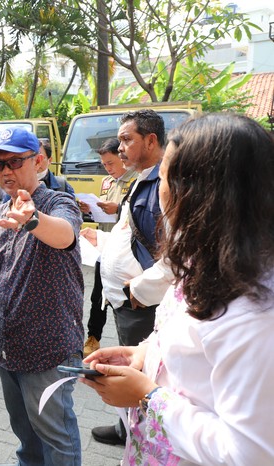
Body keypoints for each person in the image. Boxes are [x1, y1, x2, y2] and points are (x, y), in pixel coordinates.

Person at [82, 113, 274, 464]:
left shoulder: (254, 313)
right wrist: (143, 355)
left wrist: (147, 396)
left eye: (167, 174)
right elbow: (182, 338)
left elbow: (251, 453)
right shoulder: (207, 261)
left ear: (203, 192)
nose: (162, 187)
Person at [0, 127, 84, 465]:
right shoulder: (0, 212)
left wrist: (31, 220)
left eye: (15, 162)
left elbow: (65, 235)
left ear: (38, 161)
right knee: (25, 433)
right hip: (9, 341)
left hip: (49, 347)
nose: (6, 171)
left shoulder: (57, 202)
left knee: (56, 435)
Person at [80, 109, 173, 446]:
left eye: (126, 140)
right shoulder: (141, 179)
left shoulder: (164, 185)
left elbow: (175, 255)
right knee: (132, 370)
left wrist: (138, 289)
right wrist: (101, 241)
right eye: (119, 140)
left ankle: (143, 436)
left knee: (142, 374)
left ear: (151, 140)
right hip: (126, 299)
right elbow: (134, 238)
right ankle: (126, 428)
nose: (119, 148)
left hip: (143, 302)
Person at [80, 138, 137, 356]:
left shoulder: (136, 182)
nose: (108, 168)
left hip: (127, 254)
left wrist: (118, 209)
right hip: (104, 249)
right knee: (97, 297)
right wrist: (90, 208)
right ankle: (93, 337)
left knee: (125, 300)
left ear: (122, 158)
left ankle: (133, 347)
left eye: (111, 163)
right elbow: (101, 212)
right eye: (104, 164)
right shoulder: (107, 183)